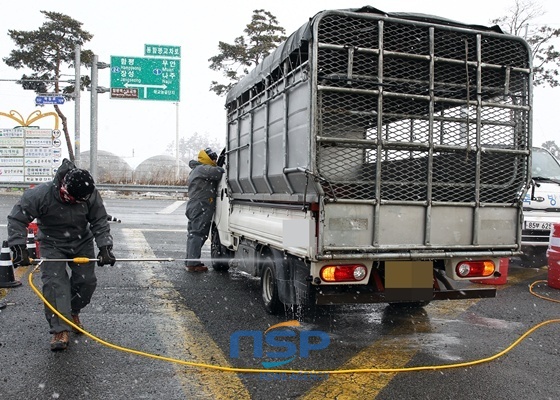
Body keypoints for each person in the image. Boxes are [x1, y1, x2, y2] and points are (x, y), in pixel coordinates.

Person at [7, 158, 116, 351]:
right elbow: (17, 218)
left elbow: (99, 220)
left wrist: (105, 247)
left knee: (86, 282)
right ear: (64, 189)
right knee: (56, 284)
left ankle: (72, 312)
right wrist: (18, 247)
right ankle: (60, 328)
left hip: (81, 240)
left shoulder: (89, 192)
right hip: (52, 242)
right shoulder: (40, 194)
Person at [185, 147, 224, 272]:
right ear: (208, 158)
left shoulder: (198, 169)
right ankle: (193, 264)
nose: (215, 160)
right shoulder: (202, 169)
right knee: (197, 234)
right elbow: (219, 172)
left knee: (194, 234)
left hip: (196, 205)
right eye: (214, 158)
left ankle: (191, 261)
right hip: (200, 206)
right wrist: (223, 166)